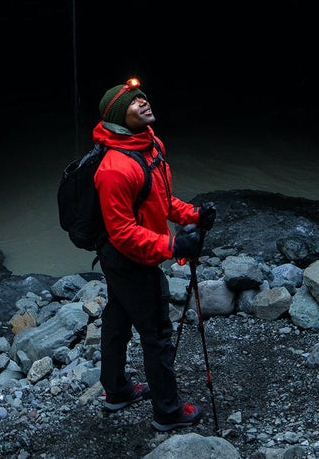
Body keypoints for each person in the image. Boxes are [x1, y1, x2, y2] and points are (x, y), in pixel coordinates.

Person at [91, 78, 218, 431]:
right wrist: (173, 246)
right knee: (157, 333)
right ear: (119, 116)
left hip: (130, 254)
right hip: (126, 258)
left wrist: (193, 214)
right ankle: (167, 412)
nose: (144, 102)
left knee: (117, 319)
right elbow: (122, 234)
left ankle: (117, 392)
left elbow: (160, 202)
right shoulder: (116, 168)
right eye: (134, 102)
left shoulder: (151, 146)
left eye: (143, 97)